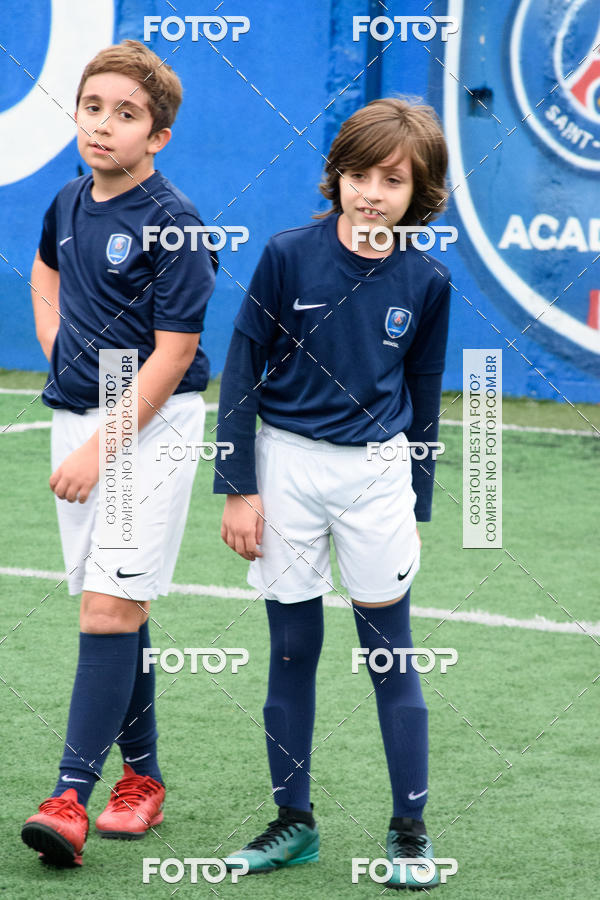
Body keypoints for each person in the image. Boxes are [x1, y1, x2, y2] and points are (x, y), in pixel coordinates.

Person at [213, 97, 451, 889]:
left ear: (419, 192)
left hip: (375, 477)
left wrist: (417, 504)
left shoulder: (429, 279)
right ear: (337, 176)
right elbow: (241, 368)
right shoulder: (287, 255)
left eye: (392, 180)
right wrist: (238, 487)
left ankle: (410, 833)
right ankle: (294, 822)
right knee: (291, 647)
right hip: (285, 467)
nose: (371, 193)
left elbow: (424, 395)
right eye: (359, 175)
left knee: (390, 653)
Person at [21, 39, 216, 868]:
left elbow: (174, 357)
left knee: (106, 610)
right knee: (119, 608)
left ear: (158, 136)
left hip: (147, 428)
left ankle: (68, 798)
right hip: (81, 416)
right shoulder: (68, 200)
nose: (102, 125)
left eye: (125, 114)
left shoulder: (176, 224)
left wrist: (104, 449)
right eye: (92, 107)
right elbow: (44, 275)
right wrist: (58, 348)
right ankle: (144, 779)